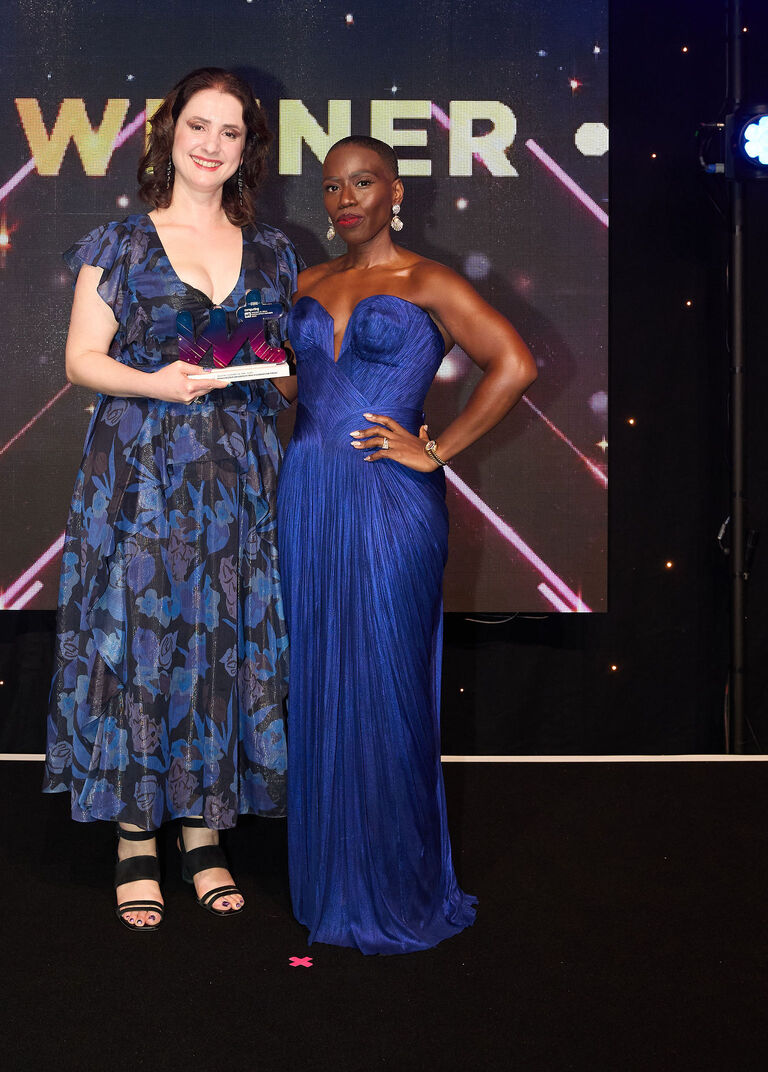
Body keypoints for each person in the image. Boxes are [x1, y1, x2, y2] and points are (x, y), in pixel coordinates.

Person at [43, 68, 301, 932]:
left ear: (248, 148)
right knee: (141, 641)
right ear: (168, 133)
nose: (211, 144)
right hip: (143, 474)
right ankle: (134, 838)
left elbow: (284, 370)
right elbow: (81, 359)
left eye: (231, 131)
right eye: (199, 125)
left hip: (241, 478)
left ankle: (202, 830)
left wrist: (285, 374)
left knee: (221, 643)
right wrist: (158, 383)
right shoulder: (120, 242)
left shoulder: (275, 252)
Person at [278, 135, 537, 955]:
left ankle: (396, 885)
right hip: (308, 495)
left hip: (392, 500)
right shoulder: (305, 283)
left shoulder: (429, 282)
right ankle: (332, 879)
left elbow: (514, 364)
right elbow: (291, 386)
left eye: (362, 183)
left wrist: (438, 449)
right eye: (331, 187)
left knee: (386, 679)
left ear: (396, 192)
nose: (345, 200)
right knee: (320, 674)